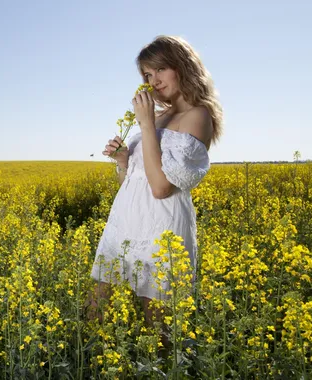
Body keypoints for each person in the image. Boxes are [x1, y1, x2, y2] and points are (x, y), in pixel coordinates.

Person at [87, 35, 223, 326]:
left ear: (182, 66)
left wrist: (146, 124)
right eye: (148, 74)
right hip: (125, 220)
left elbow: (161, 188)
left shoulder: (198, 116)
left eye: (160, 69)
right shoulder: (159, 116)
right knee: (94, 311)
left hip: (162, 228)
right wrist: (124, 161)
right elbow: (134, 183)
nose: (153, 80)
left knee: (158, 328)